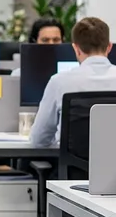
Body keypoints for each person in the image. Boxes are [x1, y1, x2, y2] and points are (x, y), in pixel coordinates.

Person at [31, 17, 116, 147]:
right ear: (109, 47)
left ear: (76, 48)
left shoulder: (59, 82)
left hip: (74, 166)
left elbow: (39, 140)